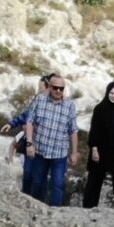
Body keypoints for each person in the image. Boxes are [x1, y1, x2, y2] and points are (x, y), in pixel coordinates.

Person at [9, 74, 79, 206]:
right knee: (38, 182)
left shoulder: (69, 106)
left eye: (61, 88)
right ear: (50, 87)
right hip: (40, 151)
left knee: (58, 184)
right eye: (55, 88)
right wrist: (29, 143)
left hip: (59, 154)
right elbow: (29, 121)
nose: (58, 91)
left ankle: (55, 213)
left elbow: (73, 130)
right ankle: (36, 210)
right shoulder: (40, 100)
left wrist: (74, 152)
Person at [83, 81, 114, 210]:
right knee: (94, 181)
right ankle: (89, 208)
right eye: (112, 93)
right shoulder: (100, 109)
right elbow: (94, 130)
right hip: (101, 151)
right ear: (107, 93)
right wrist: (94, 149)